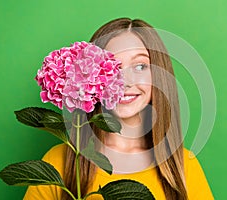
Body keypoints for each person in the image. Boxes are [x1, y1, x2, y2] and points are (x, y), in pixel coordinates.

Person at [24, 18, 213, 200]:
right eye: (113, 67)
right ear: (90, 77)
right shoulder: (59, 162)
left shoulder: (183, 165)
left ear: (159, 77)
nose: (125, 82)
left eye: (140, 66)